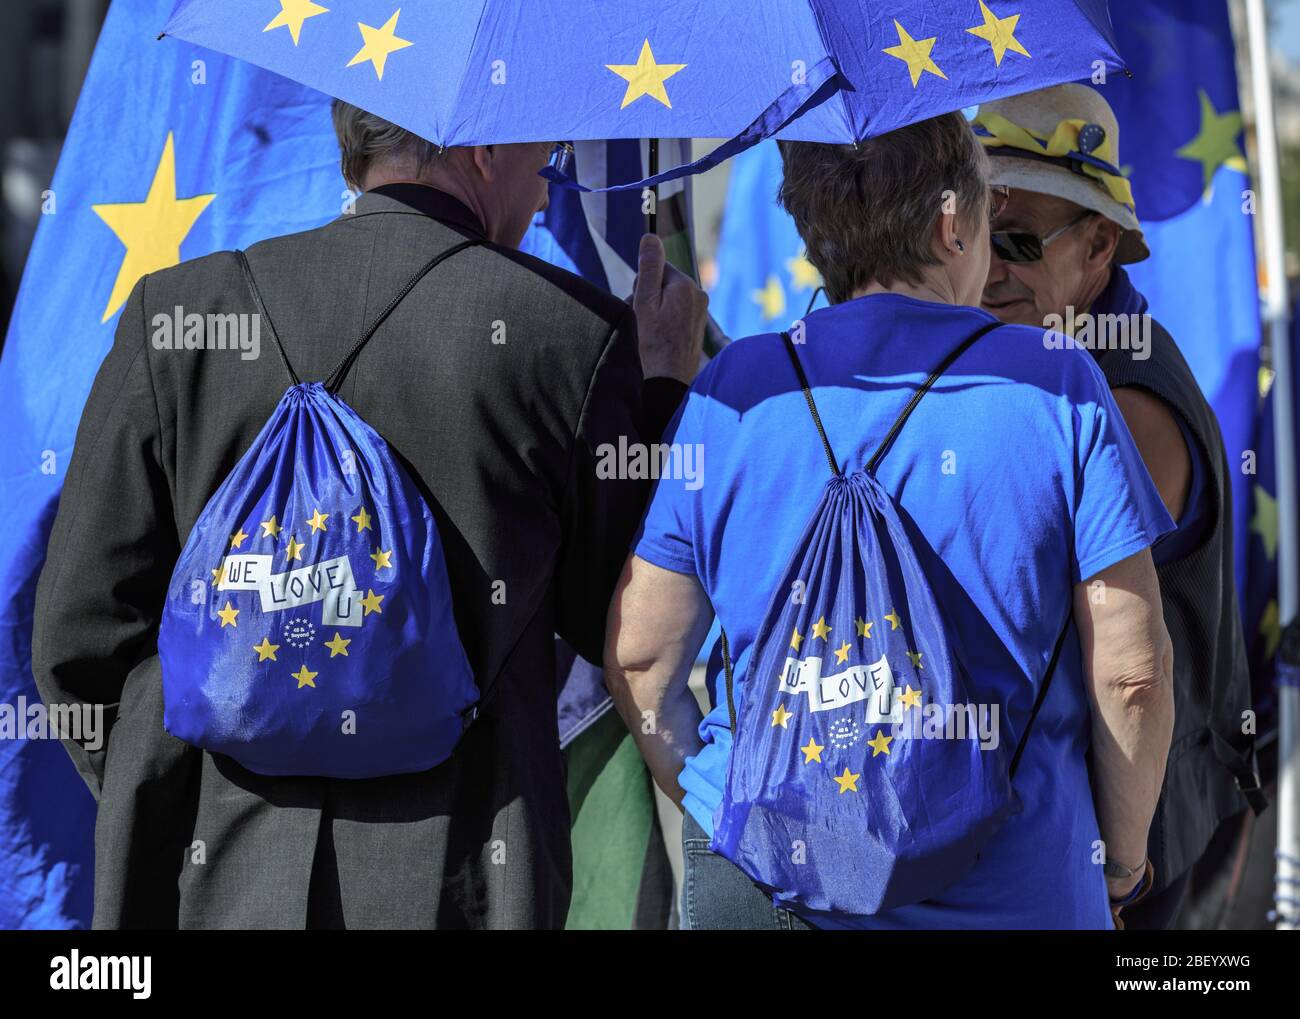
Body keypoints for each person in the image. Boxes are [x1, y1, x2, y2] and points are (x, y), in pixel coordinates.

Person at [32, 100, 707, 929]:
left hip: (208, 871)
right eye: (549, 150)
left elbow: (78, 634)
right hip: (463, 878)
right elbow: (631, 619)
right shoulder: (568, 334)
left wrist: (186, 780)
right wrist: (665, 387)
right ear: (485, 147)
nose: (549, 184)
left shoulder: (180, 316)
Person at [605, 111, 1176, 929]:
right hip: (1015, 891)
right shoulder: (1055, 386)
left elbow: (642, 656)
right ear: (952, 224)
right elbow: (1133, 676)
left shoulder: (737, 389)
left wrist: (724, 801)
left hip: (768, 890)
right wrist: (1120, 865)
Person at [977, 83, 1264, 929]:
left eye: (1018, 241)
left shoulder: (1126, 400)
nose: (985, 267)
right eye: (968, 235)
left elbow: (1111, 664)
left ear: (1098, 245)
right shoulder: (1068, 364)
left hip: (1129, 852)